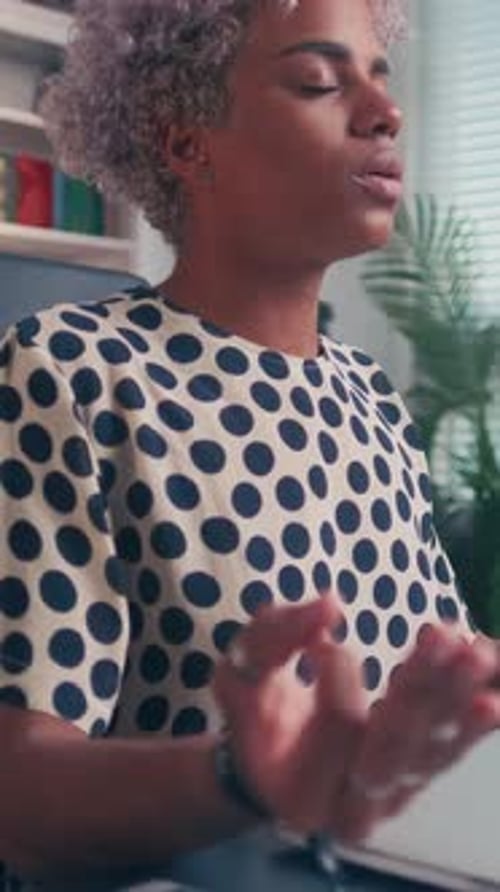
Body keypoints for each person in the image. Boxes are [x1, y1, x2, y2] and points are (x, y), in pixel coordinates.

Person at [1, 0, 499, 889]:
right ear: (189, 145)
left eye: (379, 80)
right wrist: (242, 775)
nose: (386, 113)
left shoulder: (370, 395)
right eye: (316, 81)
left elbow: (436, 698)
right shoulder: (74, 371)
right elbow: (20, 798)